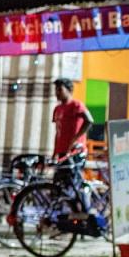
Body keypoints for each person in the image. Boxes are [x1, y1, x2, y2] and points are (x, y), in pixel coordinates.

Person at [52, 78, 94, 207]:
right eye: (56, 90)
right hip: (62, 151)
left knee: (73, 183)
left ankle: (83, 210)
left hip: (75, 151)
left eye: (60, 90)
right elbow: (57, 131)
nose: (57, 93)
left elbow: (89, 120)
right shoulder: (57, 109)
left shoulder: (76, 105)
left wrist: (75, 138)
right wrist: (54, 151)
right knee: (59, 183)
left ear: (69, 90)